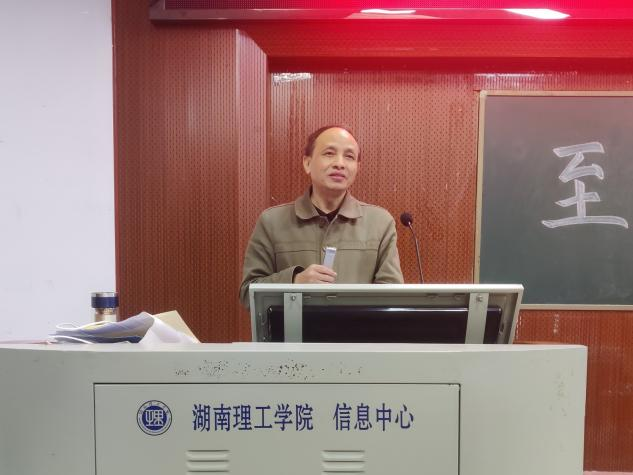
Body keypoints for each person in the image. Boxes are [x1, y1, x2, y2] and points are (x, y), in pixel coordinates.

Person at [239, 125, 404, 307]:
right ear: (307, 163)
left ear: (358, 168)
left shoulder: (380, 223)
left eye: (349, 156)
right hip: (294, 326)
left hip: (358, 326)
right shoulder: (272, 222)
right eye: (329, 153)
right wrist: (294, 282)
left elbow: (393, 298)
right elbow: (248, 293)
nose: (339, 163)